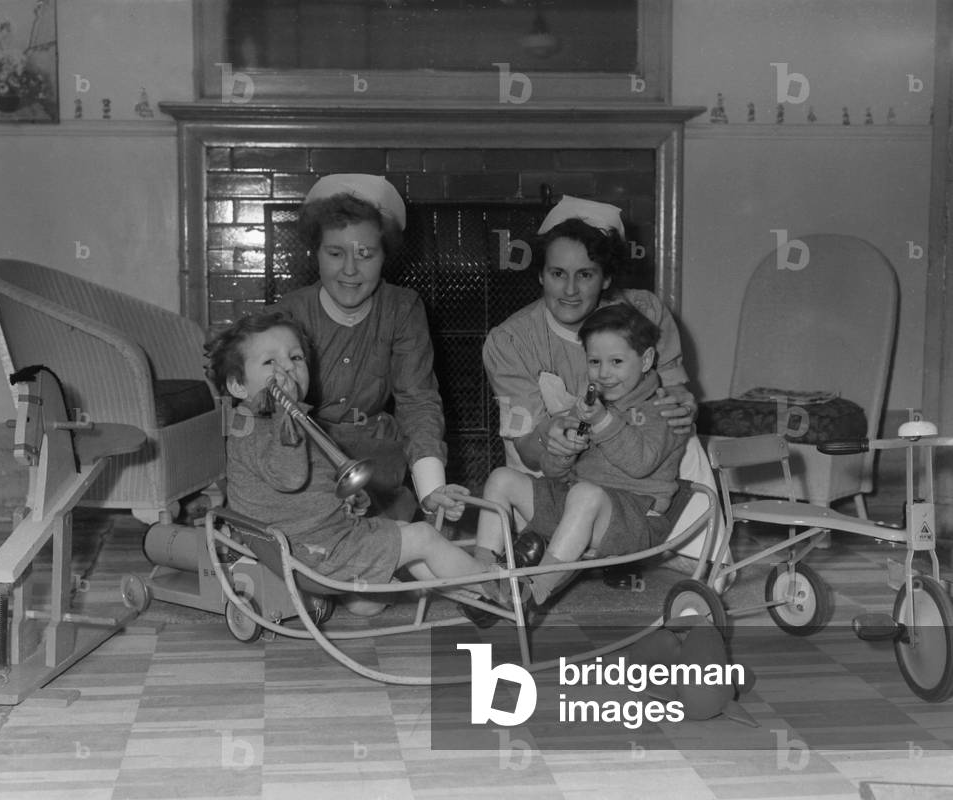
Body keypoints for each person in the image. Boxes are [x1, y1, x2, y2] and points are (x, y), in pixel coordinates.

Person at [205, 311, 499, 610]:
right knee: (421, 536)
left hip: (317, 539)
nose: (287, 370)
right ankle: (499, 588)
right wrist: (287, 412)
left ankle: (471, 598)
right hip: (311, 552)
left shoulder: (271, 423)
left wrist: (347, 497)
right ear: (238, 386)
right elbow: (290, 477)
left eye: (295, 358)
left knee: (373, 595)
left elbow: (308, 481)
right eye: (270, 362)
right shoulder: (263, 427)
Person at [481, 195, 707, 585]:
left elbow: (678, 392)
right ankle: (486, 570)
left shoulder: (645, 313)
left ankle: (691, 550)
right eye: (557, 274)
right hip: (554, 463)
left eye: (585, 274)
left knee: (681, 435)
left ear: (605, 278)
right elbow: (527, 450)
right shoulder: (510, 340)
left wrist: (684, 406)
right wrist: (552, 439)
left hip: (639, 467)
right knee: (522, 480)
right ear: (540, 275)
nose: (569, 289)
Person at [473, 303, 690, 618]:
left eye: (616, 361)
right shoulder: (589, 406)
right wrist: (562, 452)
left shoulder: (666, 409)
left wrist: (602, 422)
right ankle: (483, 575)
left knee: (585, 494)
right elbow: (553, 472)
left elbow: (640, 463)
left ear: (645, 360)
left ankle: (534, 591)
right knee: (502, 478)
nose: (604, 373)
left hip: (633, 520)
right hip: (574, 506)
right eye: (594, 361)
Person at [273, 174, 466, 524]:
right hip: (304, 462)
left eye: (365, 254)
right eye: (335, 253)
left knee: (397, 538)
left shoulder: (403, 308)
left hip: (376, 464)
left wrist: (432, 489)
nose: (350, 270)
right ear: (315, 252)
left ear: (384, 255)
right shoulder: (287, 314)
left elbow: (417, 399)